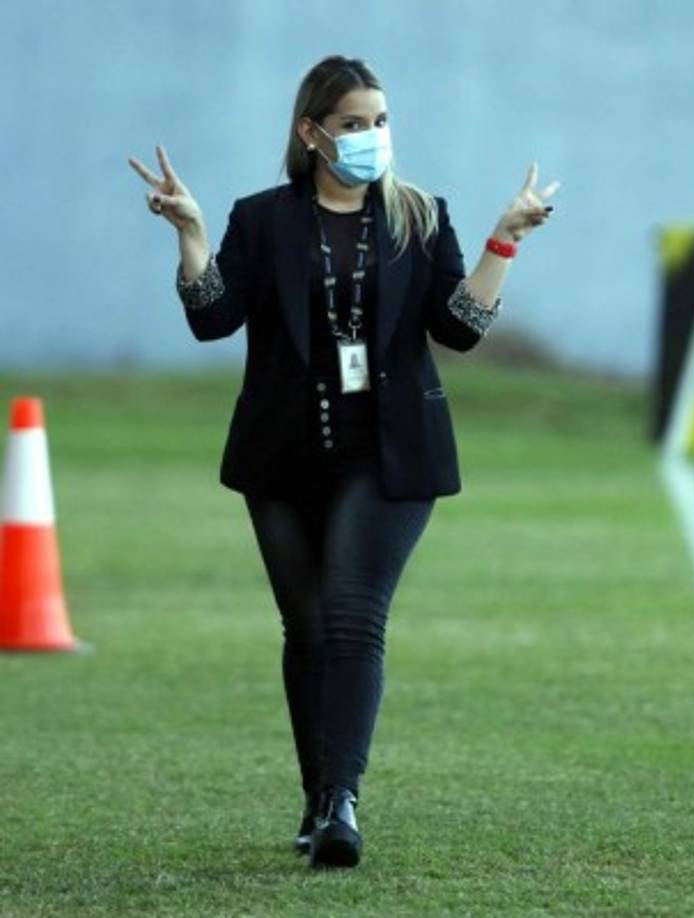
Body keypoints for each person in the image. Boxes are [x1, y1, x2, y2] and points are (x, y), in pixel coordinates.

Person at [128, 54, 559, 870]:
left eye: (381, 122)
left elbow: (459, 328)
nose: (371, 138)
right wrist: (190, 235)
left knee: (356, 614)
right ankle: (317, 791)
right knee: (308, 628)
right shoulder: (262, 219)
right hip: (282, 453)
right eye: (354, 124)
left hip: (391, 455)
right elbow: (213, 319)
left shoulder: (418, 216)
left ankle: (341, 803)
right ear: (312, 132)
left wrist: (505, 239)